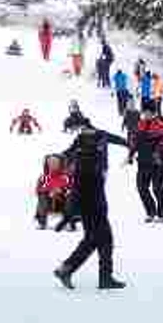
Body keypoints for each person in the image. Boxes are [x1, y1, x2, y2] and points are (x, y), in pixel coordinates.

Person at [53, 117, 129, 290]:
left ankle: (68, 269)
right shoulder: (97, 142)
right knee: (104, 239)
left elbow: (67, 157)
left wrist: (69, 214)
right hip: (96, 204)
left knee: (92, 239)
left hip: (86, 203)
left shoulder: (80, 148)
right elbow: (117, 140)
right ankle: (102, 278)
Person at [130, 109, 163, 223]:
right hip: (143, 161)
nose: (146, 115)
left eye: (148, 113)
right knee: (141, 187)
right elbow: (135, 141)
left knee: (157, 188)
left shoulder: (161, 124)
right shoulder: (140, 124)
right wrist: (131, 153)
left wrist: (161, 148)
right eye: (144, 113)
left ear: (153, 113)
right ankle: (151, 212)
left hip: (157, 161)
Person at [35, 154, 73, 230]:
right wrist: (48, 191)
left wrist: (62, 190)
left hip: (63, 200)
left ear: (60, 164)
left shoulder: (66, 177)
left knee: (70, 198)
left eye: (55, 162)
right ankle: (42, 222)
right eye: (50, 163)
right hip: (49, 200)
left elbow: (71, 188)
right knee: (42, 197)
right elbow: (38, 189)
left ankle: (69, 222)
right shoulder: (44, 177)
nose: (52, 165)